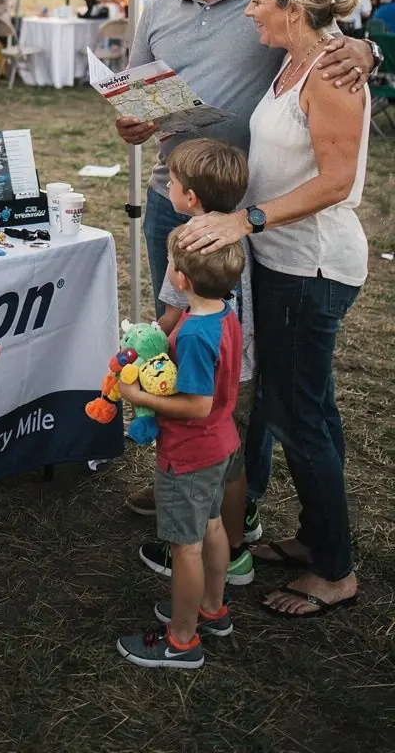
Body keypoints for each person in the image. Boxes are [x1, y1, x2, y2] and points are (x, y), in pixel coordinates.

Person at [177, 0, 369, 618]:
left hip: (310, 266)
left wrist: (246, 219)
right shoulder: (296, 59)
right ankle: (321, 540)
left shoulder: (333, 72)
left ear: (291, 9)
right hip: (281, 262)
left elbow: (337, 182)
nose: (249, 9)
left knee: (296, 417)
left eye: (258, 0)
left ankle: (337, 572)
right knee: (311, 409)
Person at [114, 0, 376, 319]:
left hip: (244, 201)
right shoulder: (157, 9)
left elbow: (328, 40)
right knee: (175, 321)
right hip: (172, 193)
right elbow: (134, 90)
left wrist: (368, 50)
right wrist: (132, 121)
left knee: (238, 332)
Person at [132, 139, 259, 588]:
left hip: (200, 372)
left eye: (173, 180)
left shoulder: (185, 241)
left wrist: (143, 348)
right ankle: (238, 547)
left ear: (189, 198)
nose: (167, 185)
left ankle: (188, 546)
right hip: (241, 366)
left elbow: (171, 314)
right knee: (232, 461)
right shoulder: (240, 231)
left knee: (198, 466)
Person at [115, 229, 244, 672]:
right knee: (211, 527)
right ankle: (211, 607)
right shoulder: (224, 314)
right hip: (220, 445)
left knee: (185, 546)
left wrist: (137, 397)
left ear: (182, 279)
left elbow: (196, 405)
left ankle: (181, 641)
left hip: (190, 455)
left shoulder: (192, 334)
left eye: (171, 263)